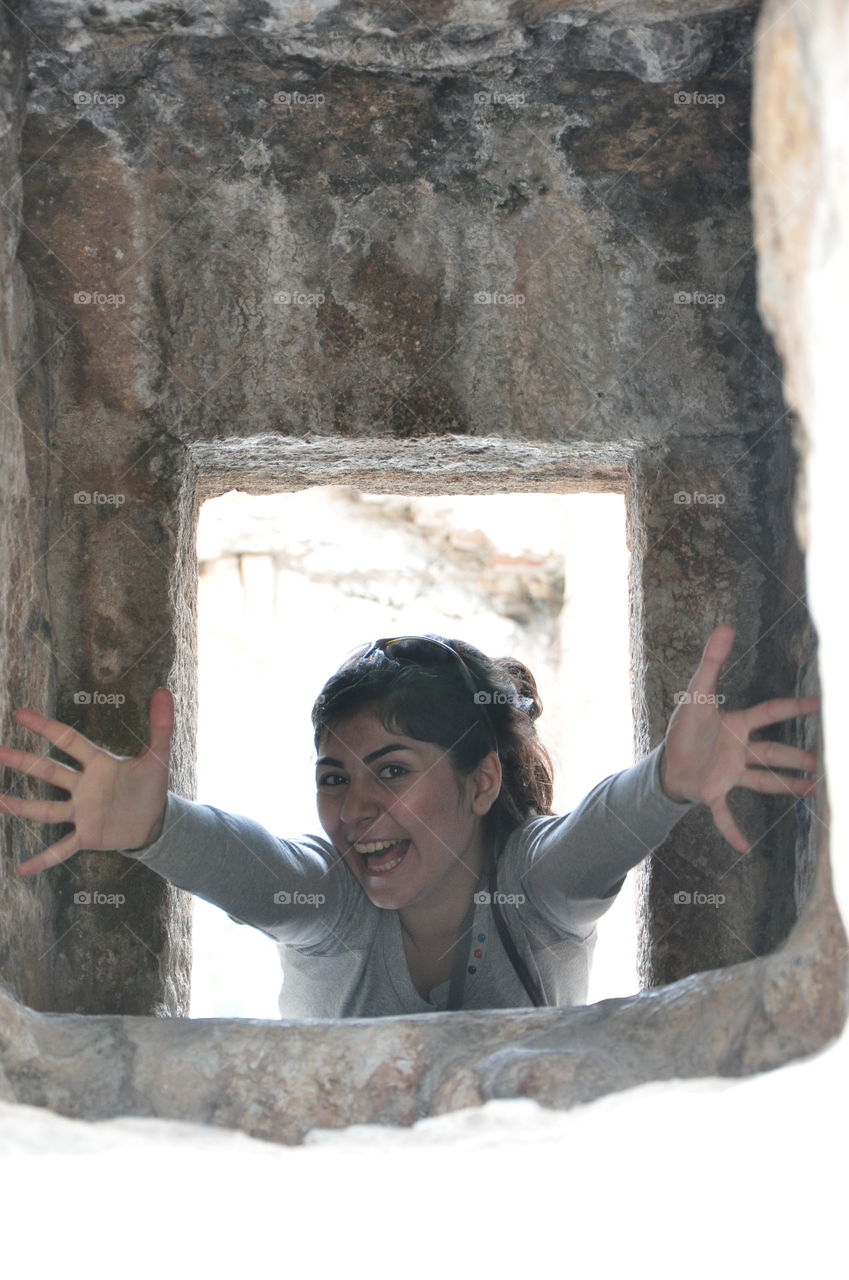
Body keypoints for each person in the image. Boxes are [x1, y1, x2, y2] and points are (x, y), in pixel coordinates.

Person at [0, 624, 819, 1017]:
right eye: (334, 776)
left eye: (392, 770)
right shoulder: (331, 901)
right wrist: (157, 828)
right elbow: (256, 870)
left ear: (481, 781)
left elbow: (592, 838)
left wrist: (668, 782)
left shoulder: (527, 889)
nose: (355, 809)